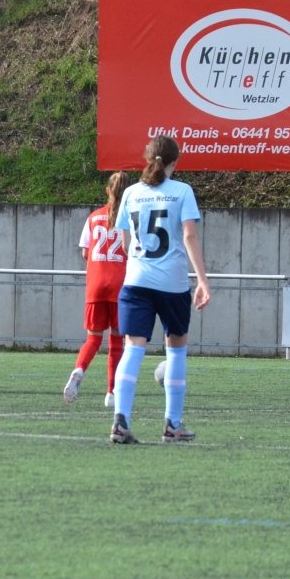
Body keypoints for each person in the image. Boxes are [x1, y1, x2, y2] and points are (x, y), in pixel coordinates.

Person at [109, 136, 210, 444]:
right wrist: (203, 280)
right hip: (172, 284)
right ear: (175, 162)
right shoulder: (182, 191)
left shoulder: (130, 193)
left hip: (136, 282)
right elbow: (189, 236)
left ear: (147, 158)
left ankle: (120, 422)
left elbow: (125, 244)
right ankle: (172, 425)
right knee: (176, 350)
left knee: (132, 349)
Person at [66, 171, 131, 407]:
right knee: (117, 342)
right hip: (120, 285)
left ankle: (79, 370)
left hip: (96, 285)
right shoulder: (131, 219)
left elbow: (86, 252)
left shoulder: (93, 217)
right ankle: (111, 393)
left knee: (93, 339)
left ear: (107, 191)